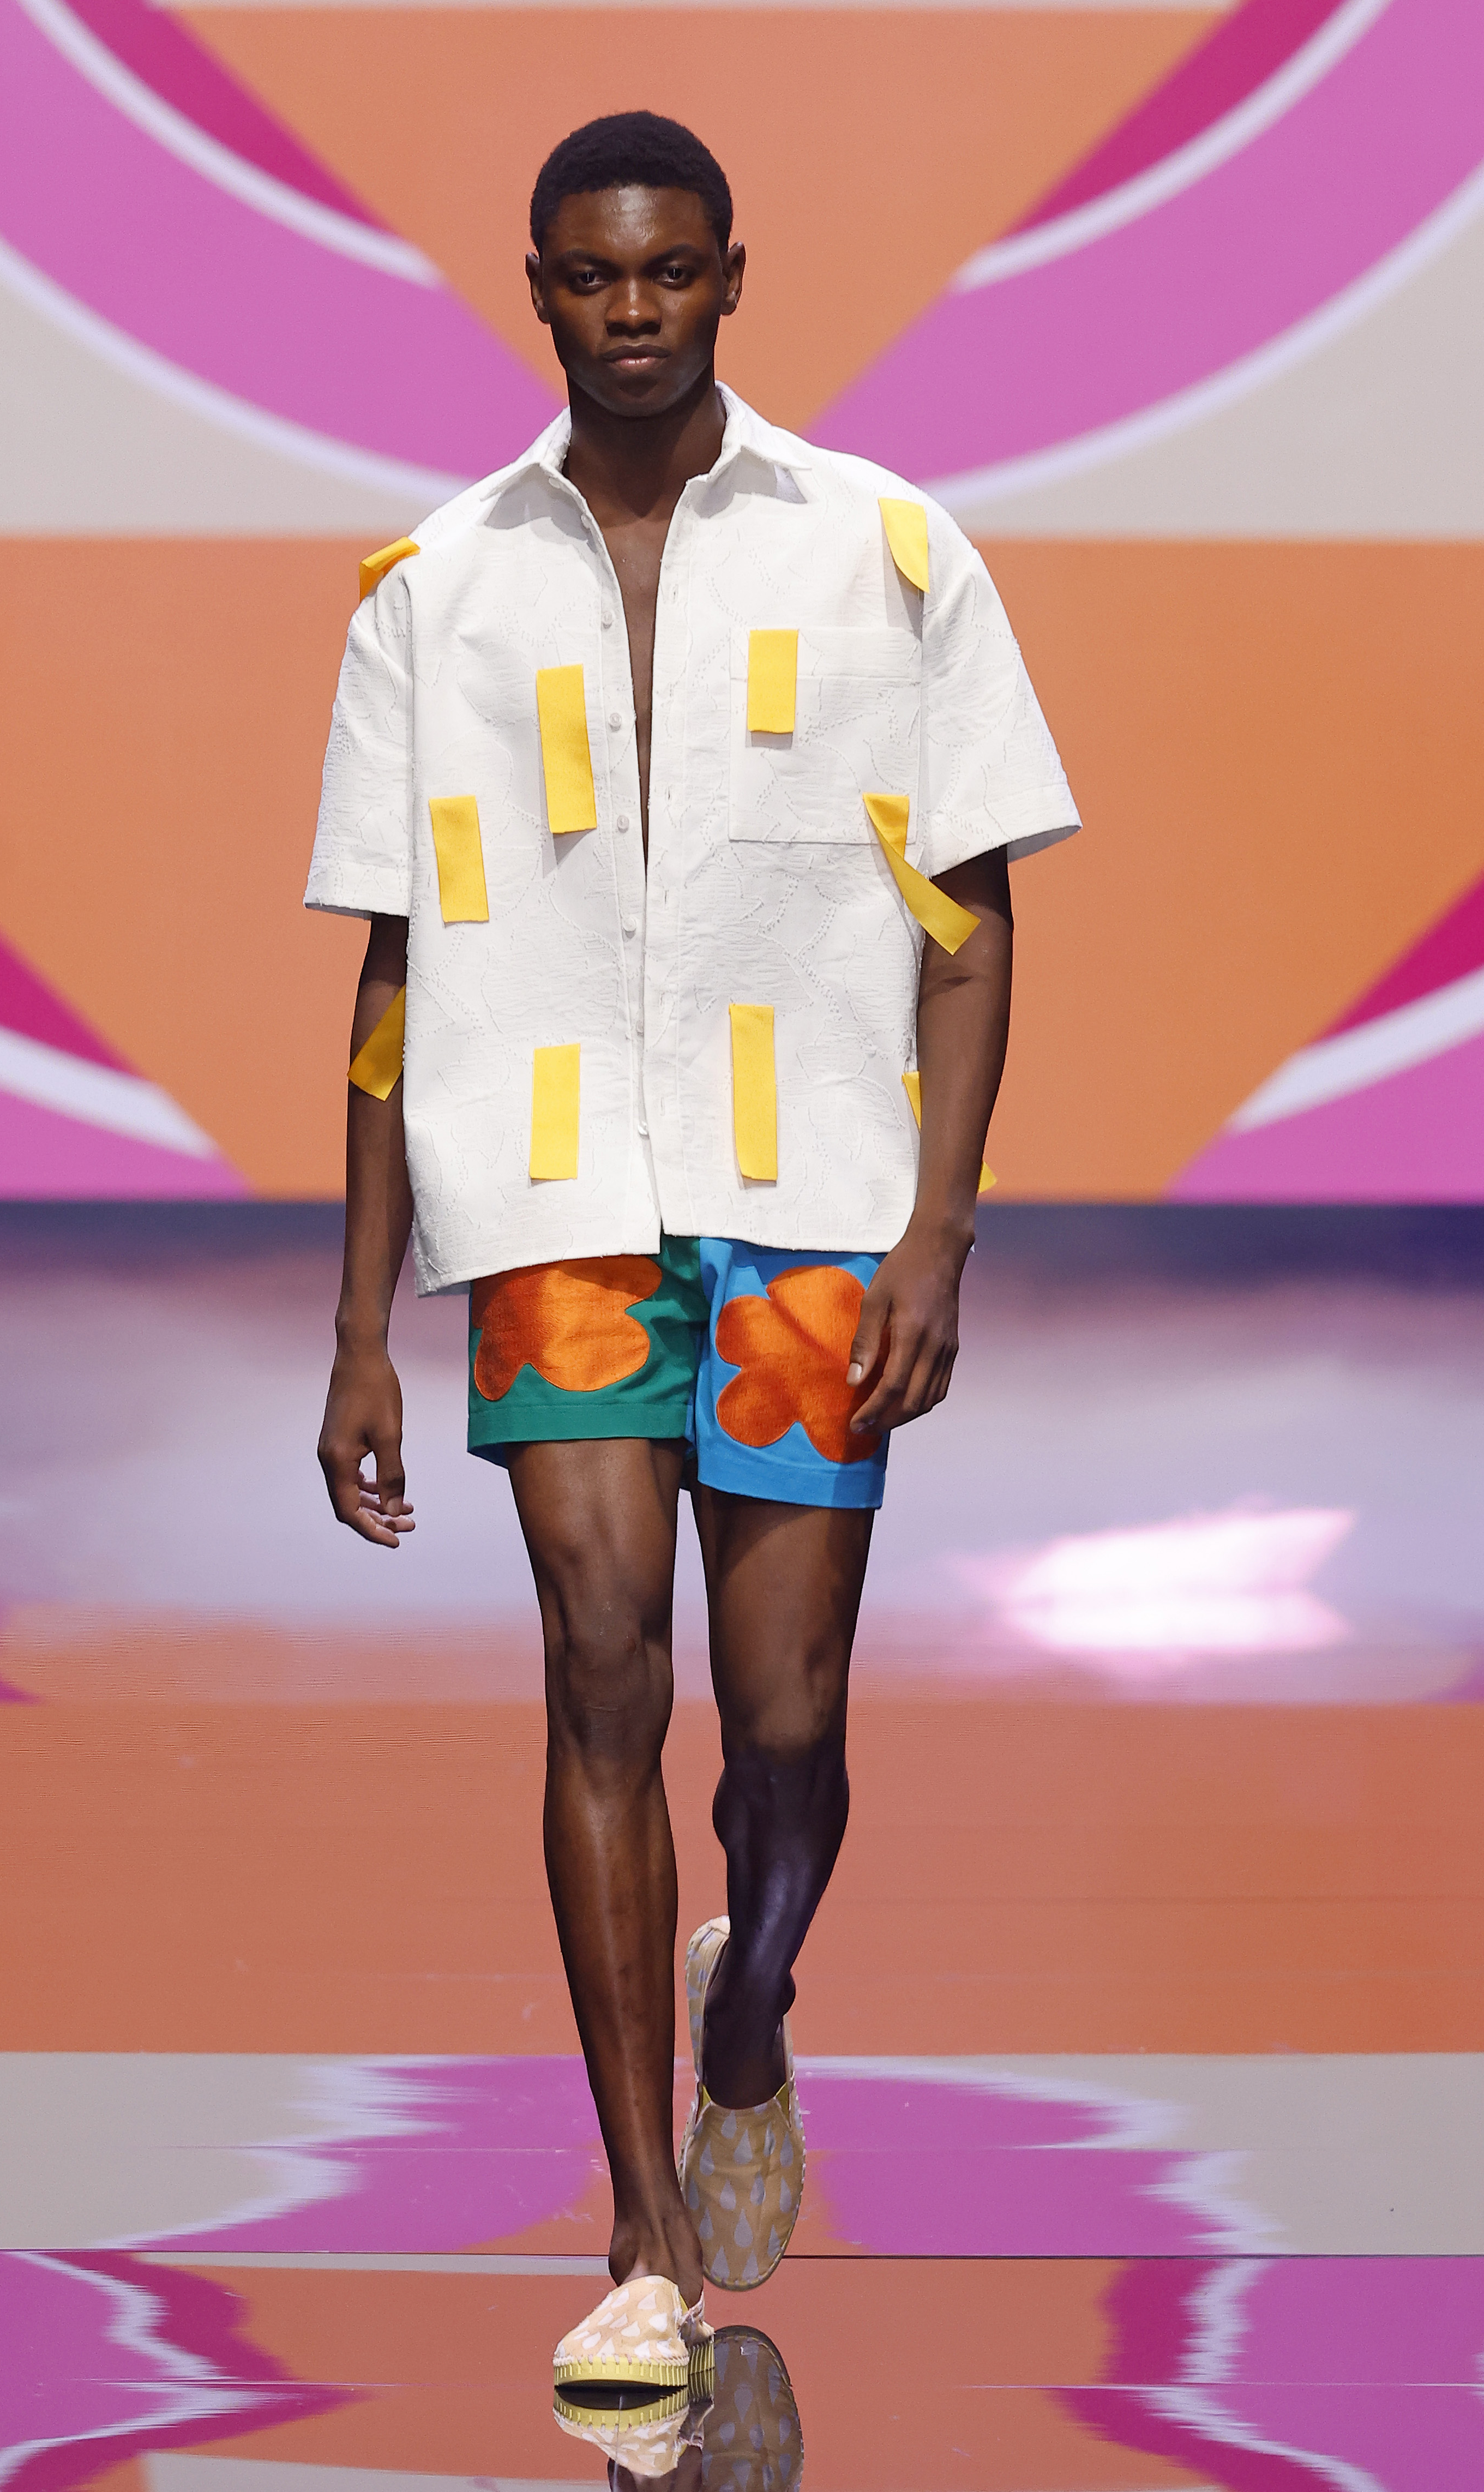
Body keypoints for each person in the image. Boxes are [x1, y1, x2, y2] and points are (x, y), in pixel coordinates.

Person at [308, 111, 1078, 2400]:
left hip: (814, 1191)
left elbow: (969, 915)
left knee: (791, 1723)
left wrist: (942, 1225)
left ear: (731, 275)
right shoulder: (430, 587)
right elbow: (389, 965)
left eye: (666, 271)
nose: (630, 309)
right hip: (550, 1198)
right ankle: (643, 2230)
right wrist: (356, 1320)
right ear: (538, 287)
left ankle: (752, 2008)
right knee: (597, 1666)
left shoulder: (889, 552)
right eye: (590, 275)